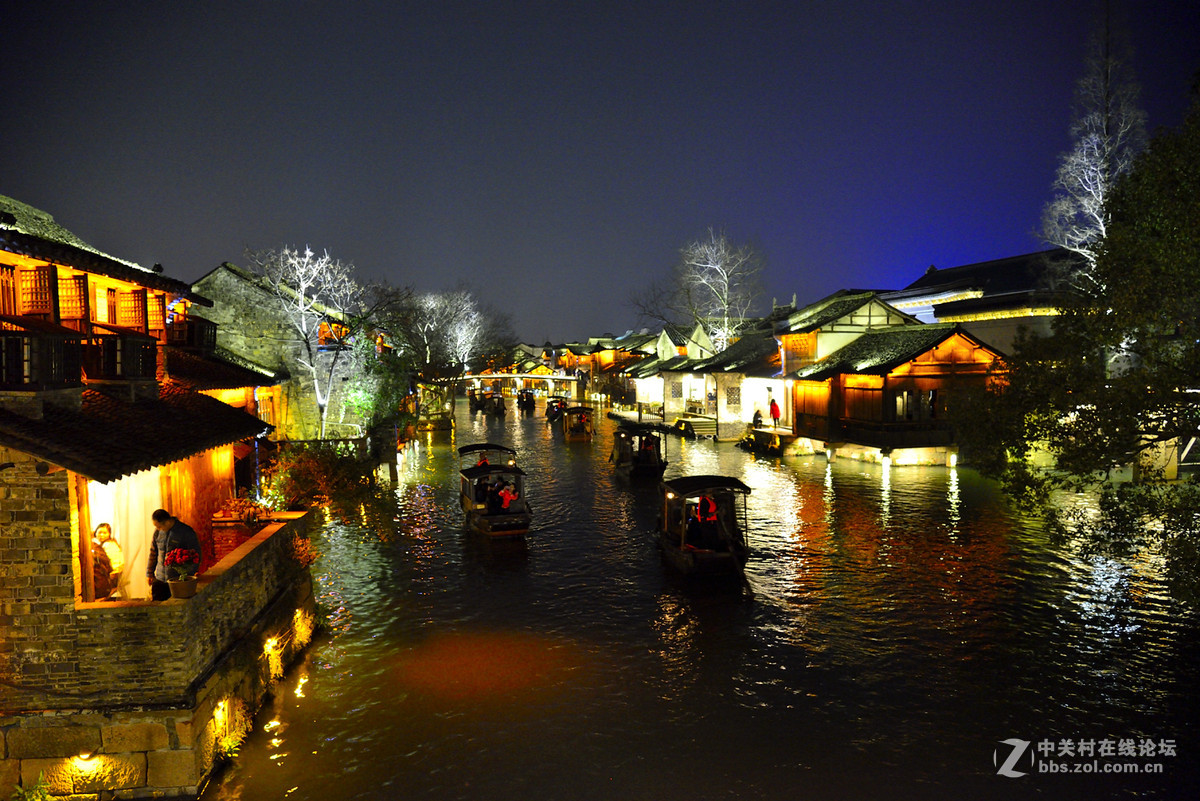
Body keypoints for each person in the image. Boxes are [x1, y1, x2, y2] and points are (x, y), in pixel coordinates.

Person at [146, 509, 202, 602]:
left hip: (177, 580)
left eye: (159, 526)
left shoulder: (185, 532)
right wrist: (150, 573)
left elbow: (196, 554)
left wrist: (189, 575)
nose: (158, 529)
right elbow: (153, 553)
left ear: (167, 522)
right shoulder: (157, 532)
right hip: (160, 579)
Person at [94, 523, 124, 597]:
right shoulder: (106, 544)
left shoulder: (108, 545)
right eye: (100, 532)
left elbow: (113, 563)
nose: (102, 535)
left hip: (113, 575)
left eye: (105, 533)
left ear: (109, 534)